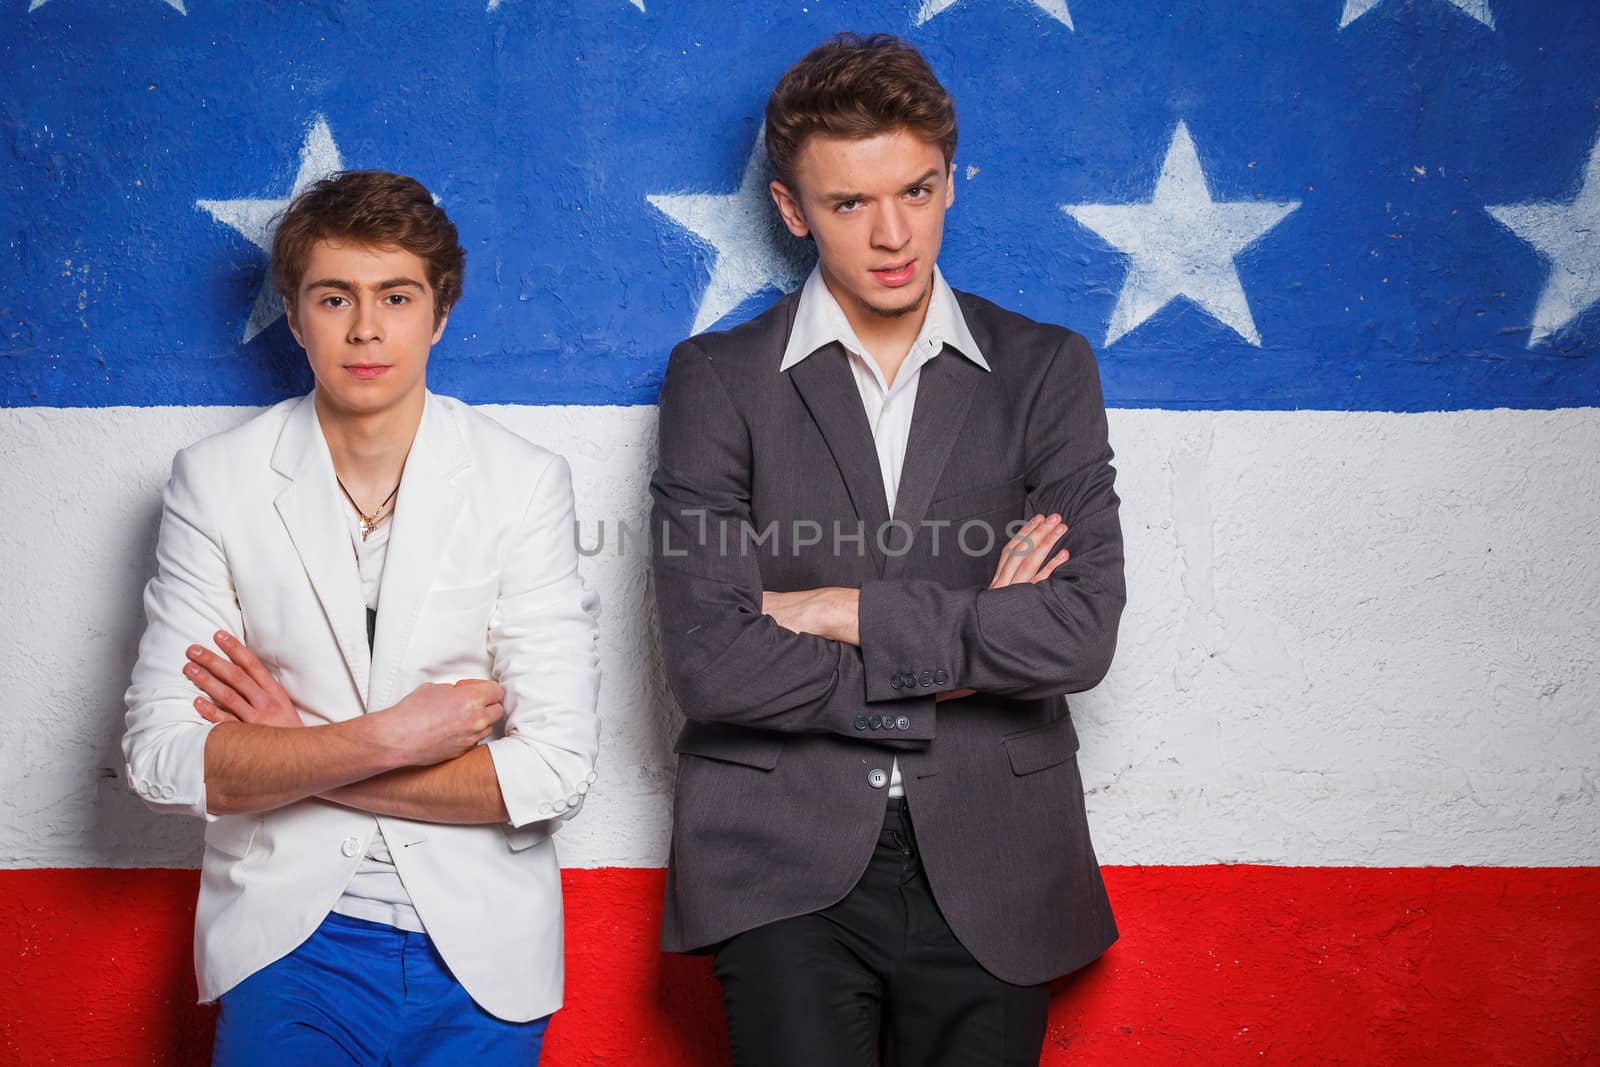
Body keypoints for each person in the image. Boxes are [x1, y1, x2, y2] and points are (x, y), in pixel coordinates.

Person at [650, 33, 1125, 1066]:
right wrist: (969, 642)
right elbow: (709, 657)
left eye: (916, 190)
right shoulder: (717, 377)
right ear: (790, 209)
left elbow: (1078, 633)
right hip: (778, 860)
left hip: (999, 856)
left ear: (953, 178)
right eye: (849, 204)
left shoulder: (1045, 369)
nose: (893, 234)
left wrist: (833, 607)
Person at [122, 170, 601, 1065]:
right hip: (289, 943)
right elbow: (161, 760)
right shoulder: (215, 481)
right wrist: (394, 736)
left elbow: (555, 771)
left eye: (396, 296)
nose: (367, 328)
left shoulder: (521, 481)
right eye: (335, 297)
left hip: (483, 950)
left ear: (440, 313)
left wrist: (296, 753)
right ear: (296, 317)